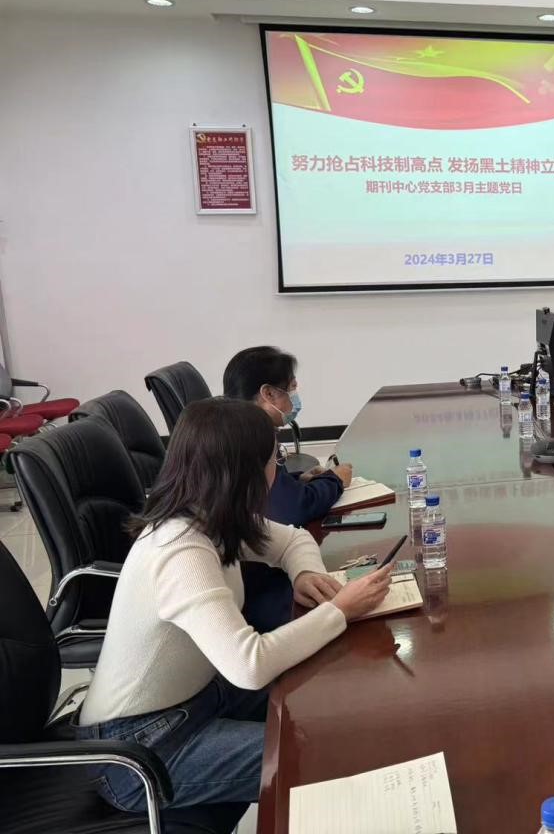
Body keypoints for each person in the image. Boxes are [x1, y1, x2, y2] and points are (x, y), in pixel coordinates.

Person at [74, 398, 392, 812]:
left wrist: (305, 574)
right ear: (247, 473)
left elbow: (293, 539)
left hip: (200, 697)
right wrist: (340, 611)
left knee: (327, 688)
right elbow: (249, 665)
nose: (278, 469)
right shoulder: (180, 549)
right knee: (321, 751)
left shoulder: (210, 515)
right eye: (274, 459)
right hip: (138, 751)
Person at [223, 345, 352, 527]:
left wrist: (297, 480)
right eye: (292, 388)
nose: (295, 397)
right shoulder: (252, 439)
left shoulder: (234, 427)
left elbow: (270, 491)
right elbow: (294, 510)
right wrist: (336, 480)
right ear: (268, 394)